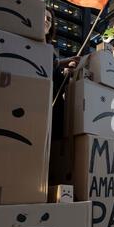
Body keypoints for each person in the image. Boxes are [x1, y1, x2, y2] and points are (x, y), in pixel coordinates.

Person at [46, 7, 80, 140]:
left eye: (49, 19)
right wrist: (60, 63)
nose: (46, 21)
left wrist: (67, 73)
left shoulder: (51, 50)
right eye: (43, 16)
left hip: (53, 115)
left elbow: (58, 84)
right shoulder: (28, 42)